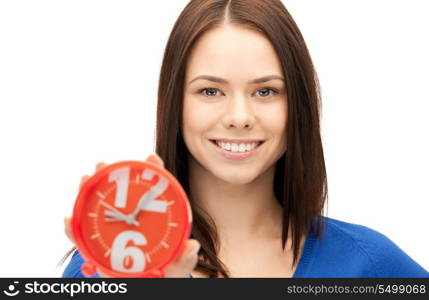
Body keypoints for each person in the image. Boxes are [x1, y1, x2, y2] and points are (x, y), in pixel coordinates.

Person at [61, 0, 428, 278]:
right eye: (210, 91)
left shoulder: (367, 263)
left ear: (298, 105)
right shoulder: (106, 268)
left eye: (266, 91)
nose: (239, 117)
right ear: (175, 104)